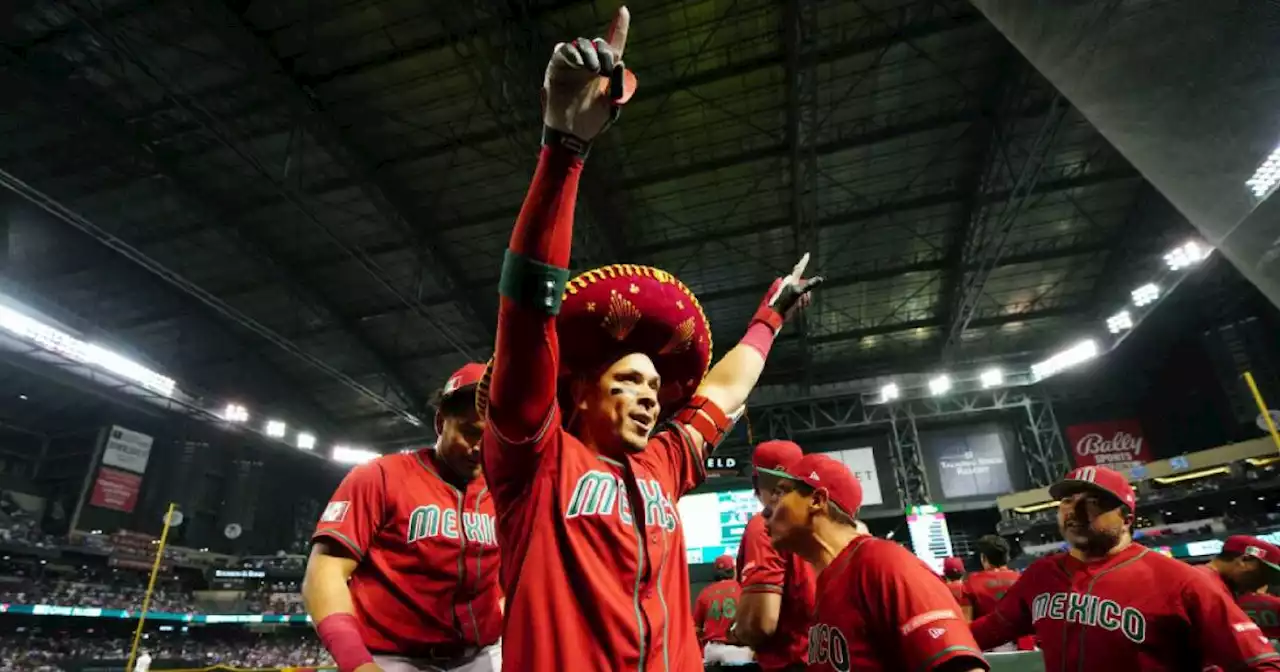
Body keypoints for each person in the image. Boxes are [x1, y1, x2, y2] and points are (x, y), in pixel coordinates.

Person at [475, 7, 821, 671]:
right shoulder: (533, 458)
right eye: (628, 380)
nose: (648, 397)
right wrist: (564, 151)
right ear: (579, 387)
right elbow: (524, 315)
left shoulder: (663, 463)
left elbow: (723, 386)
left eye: (655, 387)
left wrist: (769, 318)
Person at [969, 465, 1280, 670]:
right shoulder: (1040, 575)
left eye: (1093, 501)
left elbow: (1259, 663)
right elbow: (988, 630)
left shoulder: (1181, 581)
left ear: (1127, 518)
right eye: (1067, 500)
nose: (1074, 510)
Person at [304, 363, 501, 672]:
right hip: (394, 658)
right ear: (440, 422)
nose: (480, 448)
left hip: (482, 655)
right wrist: (357, 662)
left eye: (492, 436)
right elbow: (325, 572)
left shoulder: (505, 492)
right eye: (469, 431)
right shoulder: (380, 476)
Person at [767, 453, 987, 672]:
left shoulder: (883, 562)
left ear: (816, 500)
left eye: (780, 492)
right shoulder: (830, 579)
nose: (767, 510)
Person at [734, 440, 815, 671]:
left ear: (757, 482)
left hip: (791, 664)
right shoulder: (825, 521)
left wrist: (737, 630)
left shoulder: (765, 526)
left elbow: (760, 624)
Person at [957, 535, 1021, 652]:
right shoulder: (1022, 579)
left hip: (988, 649)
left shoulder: (971, 583)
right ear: (1007, 557)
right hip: (1024, 647)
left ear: (983, 558)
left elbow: (966, 624)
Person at [695, 555, 752, 667]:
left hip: (713, 652)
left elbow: (696, 629)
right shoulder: (744, 589)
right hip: (740, 652)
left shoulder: (705, 593)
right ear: (734, 571)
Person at [1199, 535, 1280, 595]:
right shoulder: (1203, 585)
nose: (1262, 584)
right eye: (1262, 575)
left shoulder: (1221, 586)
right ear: (1244, 560)